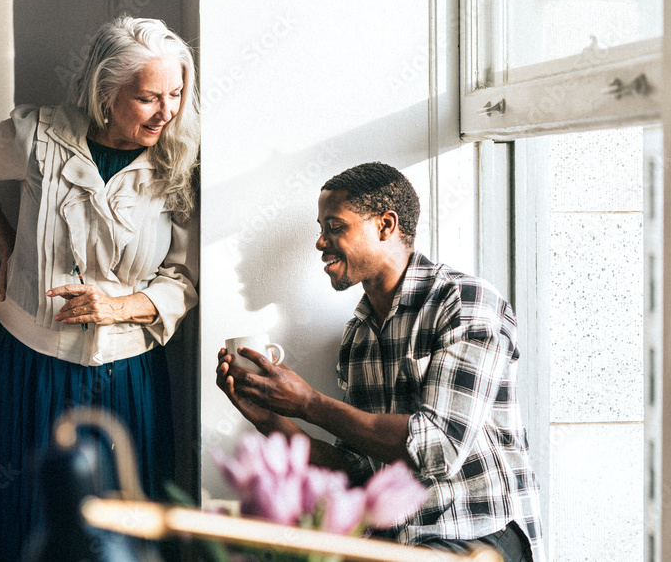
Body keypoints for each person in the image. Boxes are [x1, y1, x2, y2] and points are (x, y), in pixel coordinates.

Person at [0, 15, 199, 561]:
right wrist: (4, 239)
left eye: (176, 94)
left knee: (121, 526)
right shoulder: (36, 137)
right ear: (106, 91)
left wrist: (120, 306)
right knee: (25, 514)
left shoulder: (181, 158)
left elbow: (182, 276)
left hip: (126, 371)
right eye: (149, 98)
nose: (167, 111)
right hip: (26, 361)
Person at [216, 162, 542, 561]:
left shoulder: (463, 303)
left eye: (335, 227)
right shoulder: (357, 337)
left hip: (480, 533)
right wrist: (267, 419)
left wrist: (308, 403)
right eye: (321, 229)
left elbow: (438, 448)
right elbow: (355, 469)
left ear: (386, 226)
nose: (320, 242)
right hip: (395, 541)